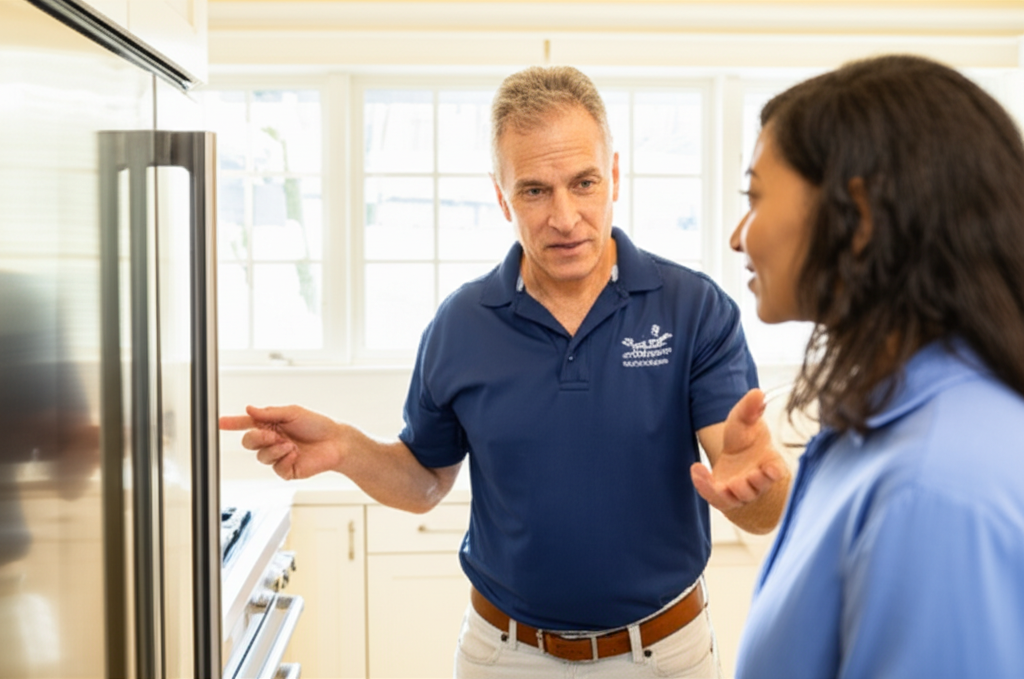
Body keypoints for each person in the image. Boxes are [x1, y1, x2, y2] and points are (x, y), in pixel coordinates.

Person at [222, 65, 791, 678]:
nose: (566, 216)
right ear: (501, 196)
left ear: (615, 177)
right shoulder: (461, 324)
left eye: (584, 182)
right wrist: (343, 447)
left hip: (665, 655)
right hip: (504, 656)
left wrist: (759, 488)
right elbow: (425, 483)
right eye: (535, 190)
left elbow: (754, 502)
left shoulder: (694, 308)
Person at [730, 54, 1024, 679]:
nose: (738, 236)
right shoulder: (880, 429)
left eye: (754, 198)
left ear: (858, 217)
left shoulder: (933, 490)